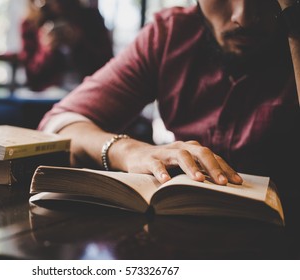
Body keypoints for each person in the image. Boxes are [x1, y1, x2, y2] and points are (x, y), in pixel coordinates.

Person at [39, 0, 300, 194]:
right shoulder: (171, 35)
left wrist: (295, 24)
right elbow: (59, 123)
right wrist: (128, 151)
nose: (243, 17)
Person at [19, 0, 114, 92]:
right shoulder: (30, 24)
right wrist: (47, 49)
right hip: (45, 100)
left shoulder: (91, 18)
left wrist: (77, 42)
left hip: (89, 92)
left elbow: (107, 67)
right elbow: (33, 79)